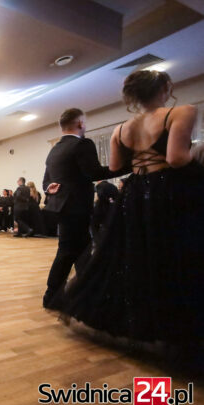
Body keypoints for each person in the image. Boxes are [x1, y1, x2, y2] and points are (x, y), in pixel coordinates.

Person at [58, 70, 204, 350]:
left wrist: (139, 160)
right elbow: (176, 158)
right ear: (165, 88)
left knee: (136, 255)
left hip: (135, 195)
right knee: (171, 254)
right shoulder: (181, 112)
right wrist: (197, 155)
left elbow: (115, 167)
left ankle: (136, 321)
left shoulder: (121, 129)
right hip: (166, 192)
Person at [42, 108, 128, 309]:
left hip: (62, 207)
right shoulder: (83, 144)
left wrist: (48, 187)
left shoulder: (54, 149)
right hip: (76, 207)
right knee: (68, 252)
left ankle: (88, 292)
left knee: (82, 252)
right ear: (80, 123)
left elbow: (46, 180)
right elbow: (94, 173)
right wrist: (128, 166)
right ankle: (52, 296)